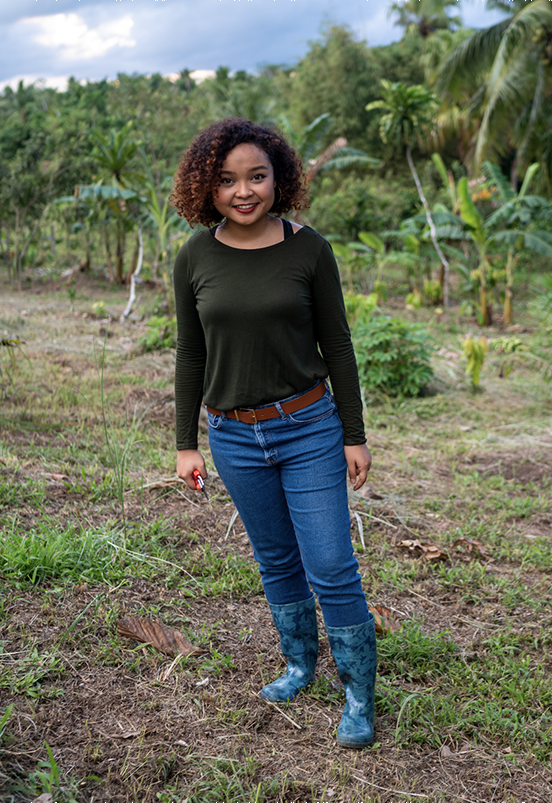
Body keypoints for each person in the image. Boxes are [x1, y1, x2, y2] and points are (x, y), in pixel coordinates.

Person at [170, 118, 376, 749]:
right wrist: (185, 443)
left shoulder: (309, 249)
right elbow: (190, 353)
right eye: (227, 180)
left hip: (309, 425)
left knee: (332, 564)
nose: (243, 192)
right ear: (207, 188)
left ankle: (359, 696)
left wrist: (353, 432)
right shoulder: (195, 257)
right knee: (276, 559)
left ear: (278, 178)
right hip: (234, 436)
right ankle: (298, 664)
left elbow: (336, 343)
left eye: (256, 176)